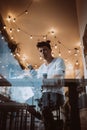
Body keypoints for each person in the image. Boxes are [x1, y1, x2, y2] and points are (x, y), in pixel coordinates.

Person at [29, 40, 66, 130]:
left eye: (45, 50)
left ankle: (46, 122)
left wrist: (42, 81)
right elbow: (38, 83)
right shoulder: (41, 68)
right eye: (40, 51)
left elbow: (57, 78)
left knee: (44, 108)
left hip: (56, 94)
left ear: (50, 50)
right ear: (39, 54)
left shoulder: (58, 61)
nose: (43, 52)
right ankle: (47, 122)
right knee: (28, 105)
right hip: (44, 95)